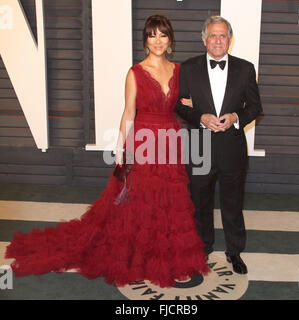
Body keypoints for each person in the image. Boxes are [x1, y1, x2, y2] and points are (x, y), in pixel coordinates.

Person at [5, 15, 209, 288]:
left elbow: (185, 104)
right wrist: (121, 149)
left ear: (170, 39)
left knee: (169, 202)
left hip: (170, 141)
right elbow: (128, 112)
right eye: (152, 35)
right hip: (143, 143)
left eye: (163, 35)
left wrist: (193, 102)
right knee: (138, 202)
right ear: (145, 40)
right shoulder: (135, 72)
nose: (158, 41)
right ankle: (136, 256)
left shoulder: (179, 70)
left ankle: (161, 254)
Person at [175, 16, 262, 274]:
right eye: (212, 35)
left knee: (233, 204)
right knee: (199, 202)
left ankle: (235, 252)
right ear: (204, 39)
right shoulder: (188, 68)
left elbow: (255, 107)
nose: (217, 40)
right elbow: (179, 105)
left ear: (230, 40)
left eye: (222, 35)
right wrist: (199, 117)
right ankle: (202, 249)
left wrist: (236, 118)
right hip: (198, 147)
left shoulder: (245, 69)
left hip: (232, 149)